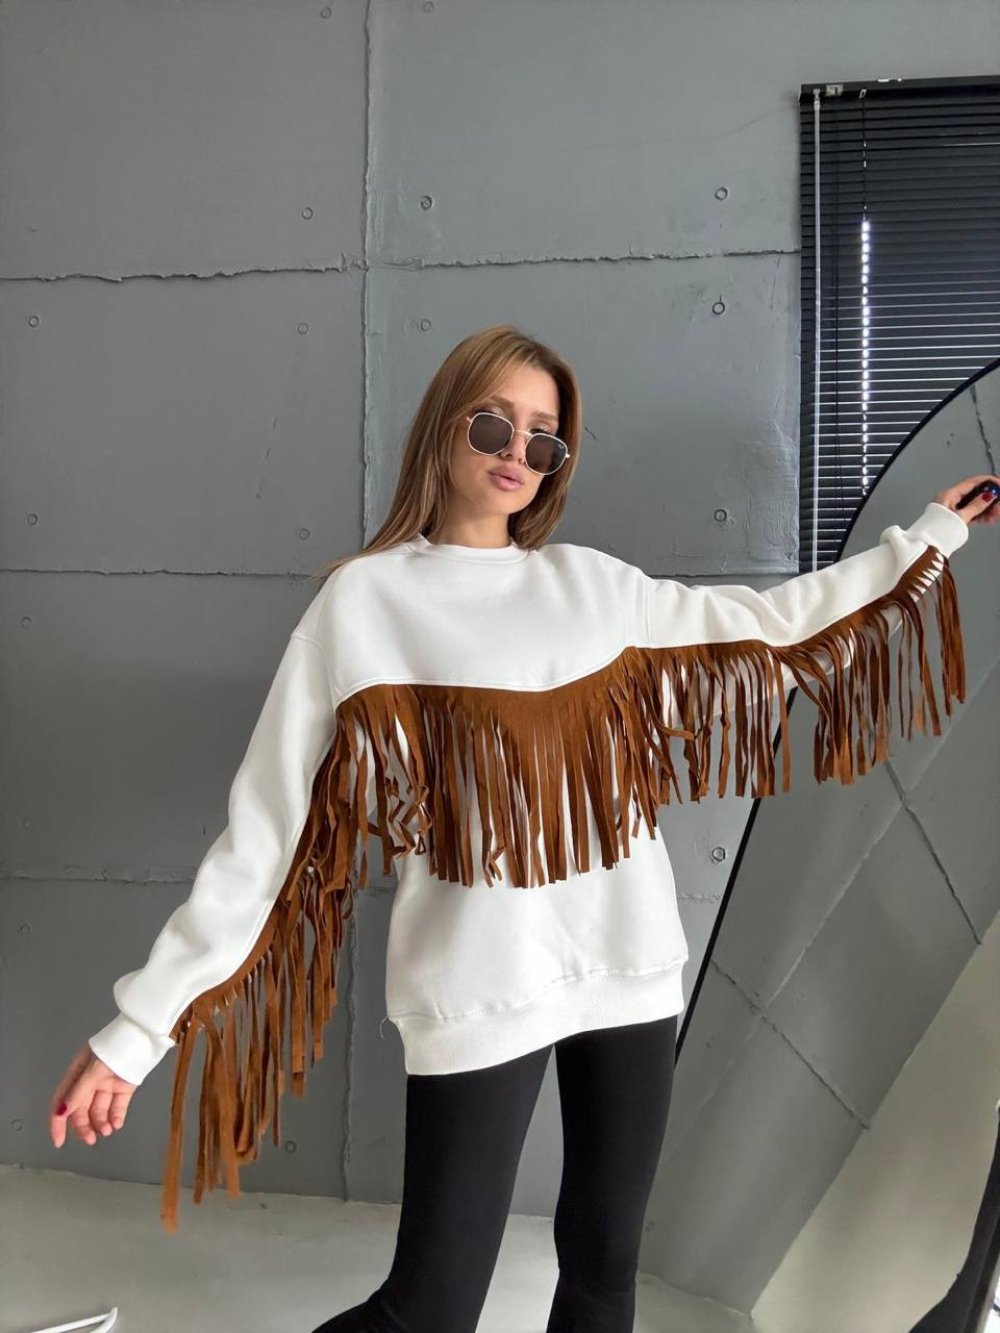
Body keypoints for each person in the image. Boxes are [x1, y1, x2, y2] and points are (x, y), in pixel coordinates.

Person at [48, 325, 996, 1333]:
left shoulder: (592, 587)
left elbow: (777, 624)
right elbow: (264, 838)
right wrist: (135, 1033)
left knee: (602, 1278)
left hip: (629, 970)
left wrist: (925, 540)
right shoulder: (363, 603)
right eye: (495, 424)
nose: (517, 453)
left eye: (543, 439)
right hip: (477, 984)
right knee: (428, 1309)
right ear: (444, 426)